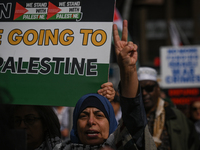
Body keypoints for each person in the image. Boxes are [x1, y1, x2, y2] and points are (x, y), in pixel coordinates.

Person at [58, 20, 156, 150]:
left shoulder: (124, 146)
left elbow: (134, 118)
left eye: (99, 115)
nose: (91, 122)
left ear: (111, 121)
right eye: (83, 116)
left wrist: (127, 70)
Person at [137, 66, 199, 150]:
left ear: (158, 88)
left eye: (149, 88)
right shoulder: (132, 117)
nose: (144, 93)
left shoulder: (176, 117)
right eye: (140, 89)